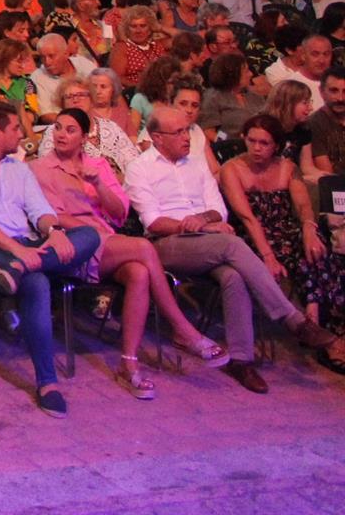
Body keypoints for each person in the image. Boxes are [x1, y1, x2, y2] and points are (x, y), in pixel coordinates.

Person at [126, 103, 345, 392]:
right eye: (178, 132)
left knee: (234, 275)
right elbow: (153, 221)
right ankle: (293, 319)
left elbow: (219, 210)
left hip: (208, 241)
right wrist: (200, 225)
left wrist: (204, 219)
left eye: (188, 130)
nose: (187, 137)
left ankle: (241, 360)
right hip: (165, 245)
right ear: (157, 138)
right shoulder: (139, 169)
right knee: (233, 244)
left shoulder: (196, 163)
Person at [31, 108, 227, 399]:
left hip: (109, 243)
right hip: (74, 246)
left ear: (84, 137)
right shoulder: (40, 168)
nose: (61, 134)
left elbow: (120, 212)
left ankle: (129, 365)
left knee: (139, 271)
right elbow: (54, 217)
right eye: (58, 128)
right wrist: (93, 232)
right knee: (143, 247)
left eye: (70, 130)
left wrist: (97, 183)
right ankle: (184, 330)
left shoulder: (98, 165)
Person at [0, 102, 99, 416]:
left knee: (89, 235)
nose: (22, 134)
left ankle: (18, 270)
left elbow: (39, 210)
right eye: (15, 128)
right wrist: (19, 251)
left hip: (25, 248)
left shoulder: (18, 168)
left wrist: (53, 231)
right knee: (36, 282)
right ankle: (47, 383)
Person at [221, 113, 345, 361]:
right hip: (255, 237)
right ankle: (321, 333)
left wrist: (309, 230)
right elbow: (247, 219)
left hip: (288, 231)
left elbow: (303, 207)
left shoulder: (287, 167)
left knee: (322, 252)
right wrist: (267, 255)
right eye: (252, 140)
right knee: (299, 257)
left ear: (276, 145)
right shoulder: (232, 169)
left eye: (264, 143)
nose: (256, 148)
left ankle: (320, 321)